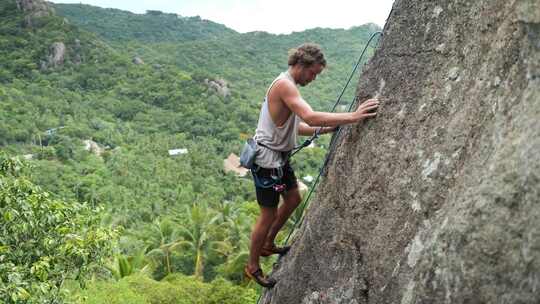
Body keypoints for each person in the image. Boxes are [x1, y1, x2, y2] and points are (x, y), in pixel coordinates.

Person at [244, 43, 379, 288]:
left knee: (293, 199)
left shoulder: (289, 86)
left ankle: (268, 244)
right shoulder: (285, 85)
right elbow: (309, 116)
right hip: (267, 160)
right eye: (313, 73)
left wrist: (328, 128)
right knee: (268, 215)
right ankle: (252, 266)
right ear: (301, 65)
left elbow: (297, 126)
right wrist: (354, 116)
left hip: (278, 159)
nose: (314, 78)